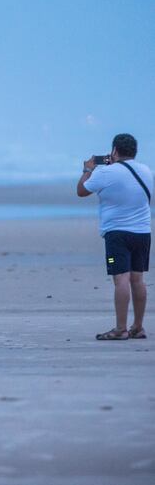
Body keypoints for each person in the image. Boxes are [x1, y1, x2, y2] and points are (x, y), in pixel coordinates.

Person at [78, 133, 152, 340]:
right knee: (138, 279)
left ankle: (121, 329)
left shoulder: (105, 173)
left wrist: (88, 169)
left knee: (120, 279)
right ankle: (138, 326)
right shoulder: (146, 171)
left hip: (117, 234)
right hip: (143, 233)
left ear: (114, 151)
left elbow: (81, 191)